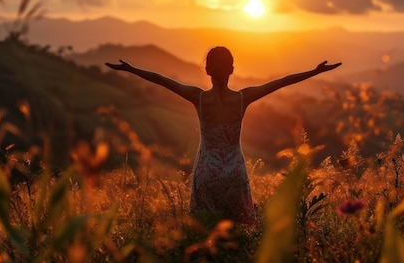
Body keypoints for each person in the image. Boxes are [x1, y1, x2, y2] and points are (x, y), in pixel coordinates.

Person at [106, 46, 341, 223]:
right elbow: (282, 82)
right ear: (232, 69)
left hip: (206, 170)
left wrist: (131, 69)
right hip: (234, 170)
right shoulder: (242, 97)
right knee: (235, 225)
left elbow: (161, 80)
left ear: (207, 70)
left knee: (206, 224)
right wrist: (314, 71)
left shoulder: (198, 97)